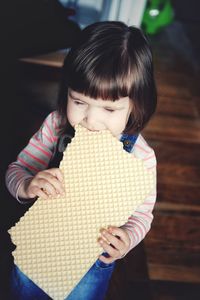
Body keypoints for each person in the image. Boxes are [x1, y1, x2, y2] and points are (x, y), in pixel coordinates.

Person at [5, 21, 157, 300]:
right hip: (40, 244)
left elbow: (142, 216)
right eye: (79, 102)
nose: (92, 120)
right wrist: (27, 185)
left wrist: (127, 240)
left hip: (89, 260)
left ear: (137, 103)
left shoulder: (141, 158)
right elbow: (17, 170)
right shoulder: (56, 125)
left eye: (109, 109)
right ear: (67, 92)